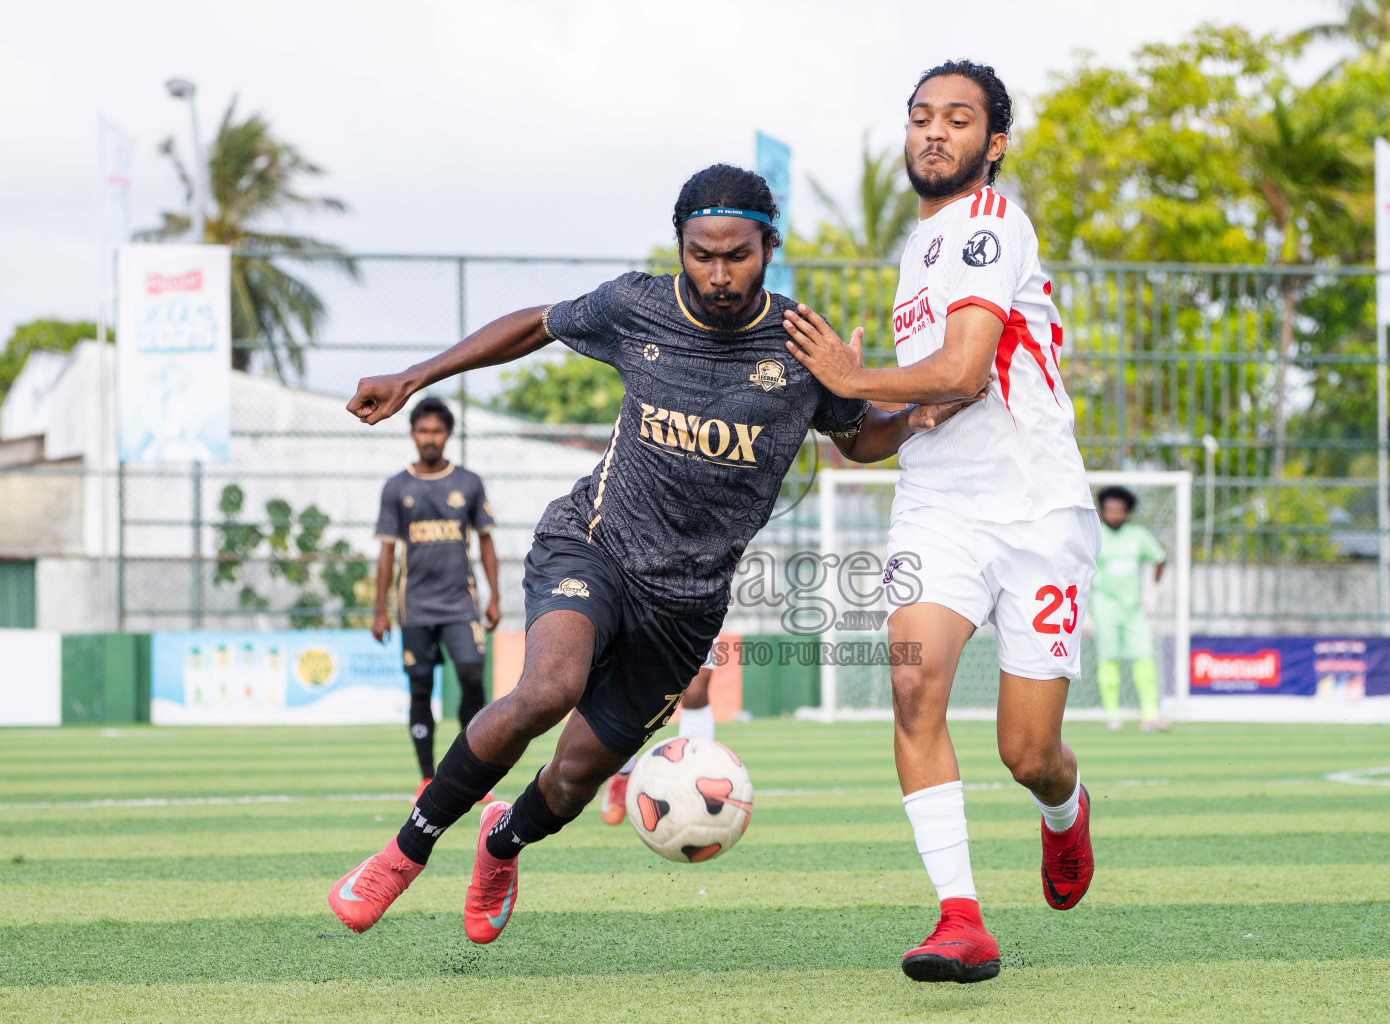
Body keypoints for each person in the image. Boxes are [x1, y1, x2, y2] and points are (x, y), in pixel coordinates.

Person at [328, 164, 985, 945]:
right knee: (547, 687)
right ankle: (403, 854)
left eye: (736, 254)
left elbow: (857, 435)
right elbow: (538, 322)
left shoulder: (802, 344)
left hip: (686, 609)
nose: (716, 273)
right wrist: (417, 373)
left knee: (572, 780)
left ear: (768, 247)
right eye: (700, 253)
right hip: (593, 545)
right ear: (680, 244)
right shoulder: (637, 306)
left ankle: (501, 842)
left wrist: (910, 417)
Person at [782, 60, 1099, 985]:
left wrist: (852, 377)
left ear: (991, 144)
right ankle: (960, 917)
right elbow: (909, 419)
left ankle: (1063, 809)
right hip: (938, 508)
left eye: (957, 119)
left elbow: (962, 374)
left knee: (1027, 751)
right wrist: (839, 415)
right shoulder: (915, 252)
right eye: (921, 116)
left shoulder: (993, 226)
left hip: (1037, 508)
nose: (934, 131)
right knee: (914, 692)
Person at [372, 397, 501, 801]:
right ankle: (428, 778)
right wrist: (380, 611)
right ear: (413, 434)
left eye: (437, 431)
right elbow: (387, 552)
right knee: (420, 688)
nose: (430, 438)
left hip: (461, 603)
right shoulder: (397, 487)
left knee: (470, 678)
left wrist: (495, 596)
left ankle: (471, 775)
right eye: (423, 431)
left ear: (448, 435)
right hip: (416, 607)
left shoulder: (469, 482)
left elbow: (486, 542)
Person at [598, 636, 720, 825]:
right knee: (632, 682)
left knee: (695, 690)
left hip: (700, 607)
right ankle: (624, 772)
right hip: (642, 608)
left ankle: (691, 784)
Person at [1092, 486, 1170, 732]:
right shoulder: (1095, 536)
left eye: (1120, 511)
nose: (1115, 515)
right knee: (1108, 659)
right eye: (1110, 510)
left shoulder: (1137, 535)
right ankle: (1112, 715)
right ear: (1102, 511)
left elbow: (1160, 558)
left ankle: (1150, 714)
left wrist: (1153, 590)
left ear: (1127, 512)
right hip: (1104, 608)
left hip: (1133, 609)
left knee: (1144, 658)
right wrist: (1083, 612)